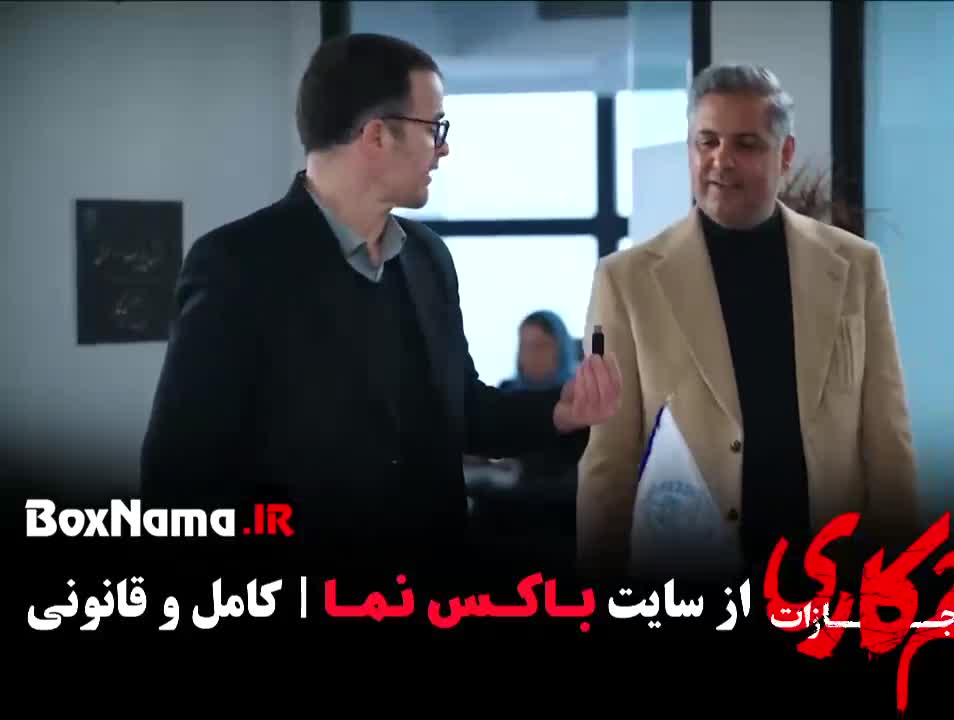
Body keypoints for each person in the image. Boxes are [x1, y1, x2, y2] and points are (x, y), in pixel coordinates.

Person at [139, 33, 621, 578]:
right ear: (376, 136)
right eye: (435, 127)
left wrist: (560, 411)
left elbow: (461, 409)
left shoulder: (428, 258)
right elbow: (179, 477)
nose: (443, 148)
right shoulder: (238, 265)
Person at [576, 63, 919, 581]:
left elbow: (888, 443)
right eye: (707, 142)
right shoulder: (626, 281)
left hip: (829, 577)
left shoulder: (855, 266)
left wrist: (901, 580)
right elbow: (609, 462)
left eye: (746, 144)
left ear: (785, 153)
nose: (721, 160)